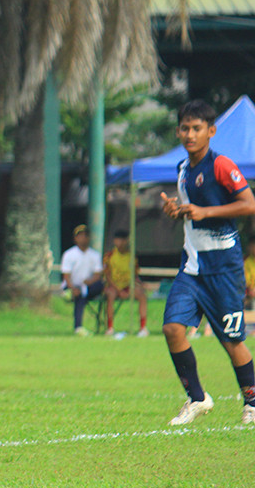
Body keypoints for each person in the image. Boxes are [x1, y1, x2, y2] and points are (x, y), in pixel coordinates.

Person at [159, 99, 255, 426]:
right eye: (185, 128)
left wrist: (206, 212)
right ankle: (197, 398)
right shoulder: (182, 170)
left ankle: (252, 402)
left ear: (211, 131)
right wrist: (176, 210)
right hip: (192, 267)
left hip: (224, 268)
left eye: (197, 128)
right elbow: (191, 212)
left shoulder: (222, 165)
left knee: (232, 342)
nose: (190, 134)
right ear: (178, 131)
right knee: (172, 329)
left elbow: (249, 203)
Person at [102, 229, 149, 337]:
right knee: (110, 295)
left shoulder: (131, 256)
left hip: (128, 286)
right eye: (118, 240)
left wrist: (139, 285)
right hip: (114, 286)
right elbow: (107, 275)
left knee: (142, 295)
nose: (120, 243)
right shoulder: (109, 256)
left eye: (123, 240)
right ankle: (110, 328)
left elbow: (135, 274)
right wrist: (118, 289)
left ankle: (142, 327)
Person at [60, 224, 103, 336]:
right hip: (72, 286)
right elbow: (66, 276)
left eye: (85, 235)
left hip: (88, 287)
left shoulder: (94, 255)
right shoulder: (69, 254)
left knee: (99, 286)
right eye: (80, 236)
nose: (83, 238)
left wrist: (90, 282)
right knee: (79, 295)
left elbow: (98, 274)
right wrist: (73, 288)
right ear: (75, 239)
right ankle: (78, 326)